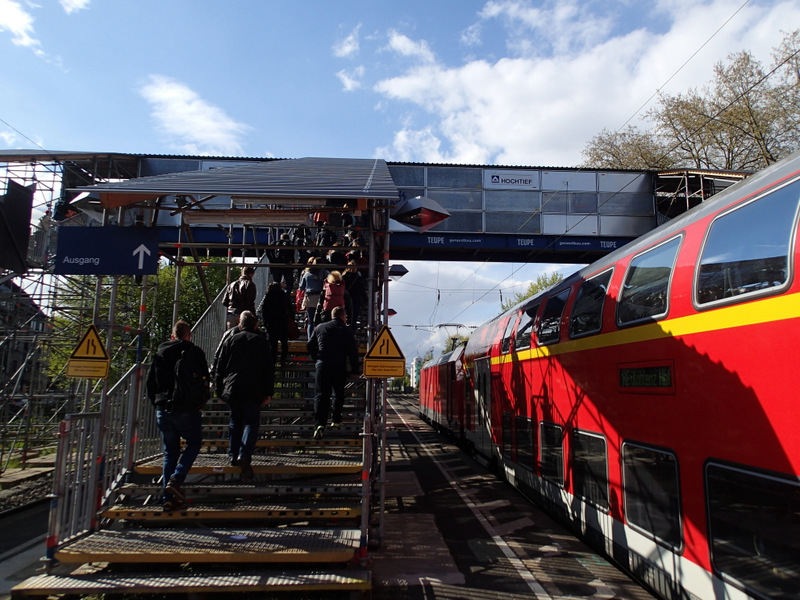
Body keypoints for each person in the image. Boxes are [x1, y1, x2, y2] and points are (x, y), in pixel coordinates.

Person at [146, 320, 209, 510]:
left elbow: (151, 383)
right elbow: (205, 382)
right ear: (189, 335)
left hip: (163, 408)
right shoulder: (195, 352)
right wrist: (200, 404)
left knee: (170, 453)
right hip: (188, 409)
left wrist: (157, 403)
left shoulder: (161, 351)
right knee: (194, 442)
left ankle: (168, 499)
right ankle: (176, 478)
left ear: (172, 335)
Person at [214, 311, 273, 481]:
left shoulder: (231, 339)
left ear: (240, 324)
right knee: (251, 422)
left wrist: (219, 390)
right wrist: (268, 391)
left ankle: (233, 454)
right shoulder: (261, 342)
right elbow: (268, 369)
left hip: (233, 387)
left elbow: (220, 367)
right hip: (254, 388)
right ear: (255, 325)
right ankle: (244, 454)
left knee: (235, 421)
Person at [307, 306, 360, 439]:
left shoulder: (320, 327)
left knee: (321, 395)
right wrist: (355, 370)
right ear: (343, 316)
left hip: (322, 365)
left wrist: (317, 359)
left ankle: (319, 423)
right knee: (338, 393)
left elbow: (310, 345)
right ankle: (336, 419)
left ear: (332, 315)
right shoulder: (347, 331)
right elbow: (353, 352)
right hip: (339, 366)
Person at [259, 281, 293, 365]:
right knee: (284, 343)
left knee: (273, 345)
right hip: (283, 322)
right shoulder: (284, 295)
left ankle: (273, 361)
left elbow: (264, 312)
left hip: (271, 323)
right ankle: (283, 360)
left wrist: (265, 323)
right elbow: (290, 309)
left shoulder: (268, 297)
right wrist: (292, 319)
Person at [298, 257, 327, 338]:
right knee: (320, 321)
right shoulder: (325, 273)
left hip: (310, 298)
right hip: (321, 298)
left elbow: (301, 287)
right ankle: (320, 338)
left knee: (311, 321)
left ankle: (310, 339)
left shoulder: (307, 274)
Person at [343, 260, 366, 330]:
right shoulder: (358, 279)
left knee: (344, 318)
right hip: (355, 301)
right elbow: (362, 291)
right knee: (353, 320)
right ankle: (351, 335)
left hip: (345, 301)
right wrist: (364, 301)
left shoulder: (343, 278)